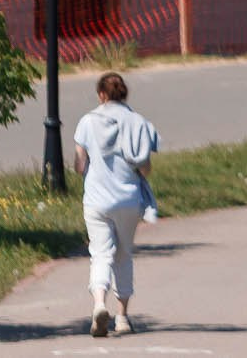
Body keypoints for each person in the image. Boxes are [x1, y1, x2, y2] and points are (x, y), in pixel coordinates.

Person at [73, 71, 162, 339]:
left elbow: (79, 166)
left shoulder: (87, 122)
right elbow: (145, 168)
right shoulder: (138, 122)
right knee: (123, 255)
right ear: (124, 93)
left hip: (96, 200)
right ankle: (122, 317)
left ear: (101, 94)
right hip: (128, 200)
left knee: (100, 253)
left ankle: (99, 305)